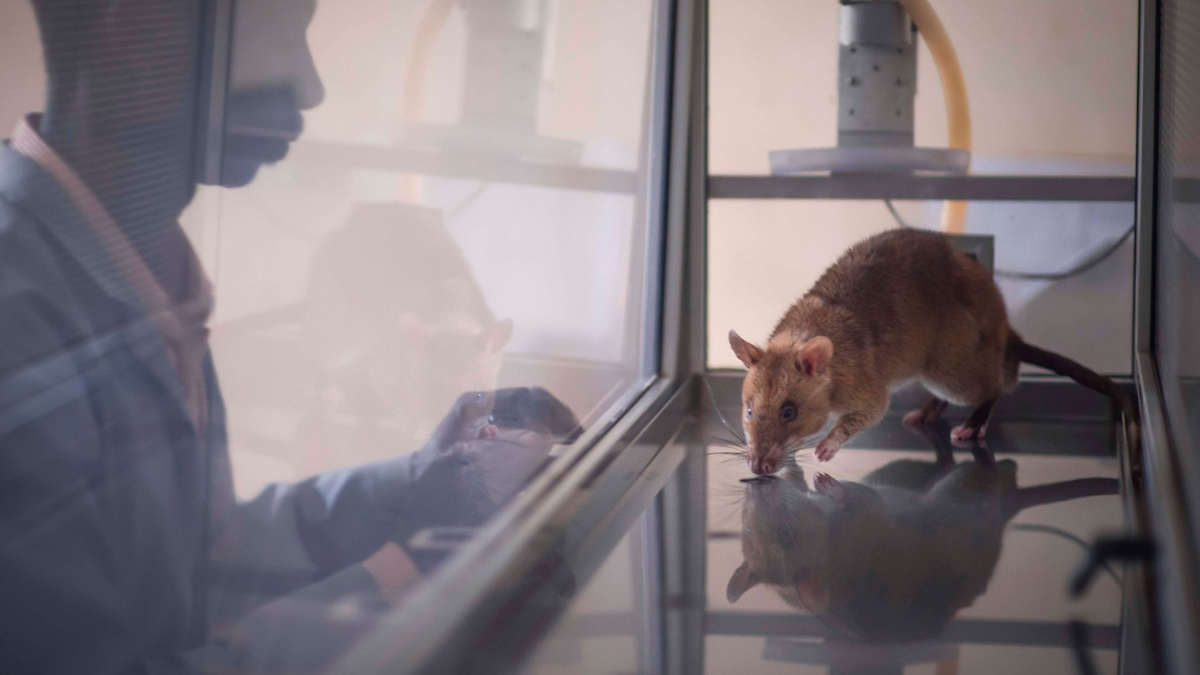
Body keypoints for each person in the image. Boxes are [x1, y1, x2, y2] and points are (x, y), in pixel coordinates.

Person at [0, 0, 575, 672]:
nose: (311, 85)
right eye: (282, 26)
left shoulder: (140, 269)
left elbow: (205, 556)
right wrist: (414, 572)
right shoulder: (18, 322)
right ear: (140, 25)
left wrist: (421, 480)